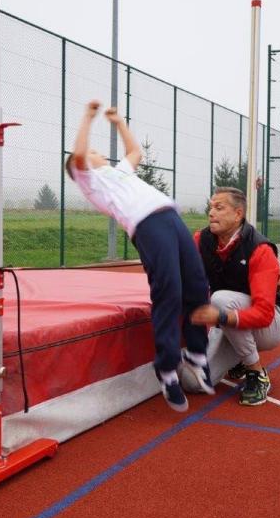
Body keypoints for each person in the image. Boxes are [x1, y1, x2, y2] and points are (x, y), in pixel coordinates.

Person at [66, 100, 214, 413]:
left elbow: (135, 153)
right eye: (93, 153)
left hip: (171, 217)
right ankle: (166, 366)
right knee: (169, 290)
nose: (97, 153)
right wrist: (88, 118)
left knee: (198, 286)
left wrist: (119, 122)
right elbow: (78, 155)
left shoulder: (117, 171)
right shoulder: (90, 179)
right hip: (147, 225)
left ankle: (197, 354)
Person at [183, 187, 280, 406]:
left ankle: (256, 372)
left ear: (238, 214)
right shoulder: (202, 240)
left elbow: (263, 315)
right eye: (211, 207)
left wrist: (220, 317)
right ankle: (239, 357)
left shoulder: (260, 249)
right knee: (192, 382)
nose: (211, 213)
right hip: (231, 322)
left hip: (271, 325)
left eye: (219, 208)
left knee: (221, 299)